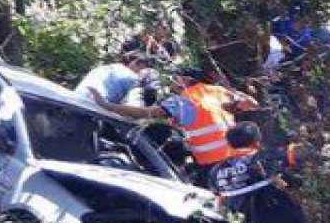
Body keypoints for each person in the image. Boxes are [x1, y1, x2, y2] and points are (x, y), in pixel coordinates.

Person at [94, 65, 259, 185]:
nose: (172, 85)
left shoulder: (185, 101)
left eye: (174, 80)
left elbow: (144, 113)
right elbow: (250, 103)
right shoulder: (217, 91)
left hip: (213, 166)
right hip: (241, 157)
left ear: (184, 80)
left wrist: (107, 105)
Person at [76, 46, 156, 108]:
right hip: (92, 109)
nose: (144, 70)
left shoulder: (106, 68)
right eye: (145, 67)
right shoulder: (132, 78)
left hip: (75, 101)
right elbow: (133, 107)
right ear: (136, 62)